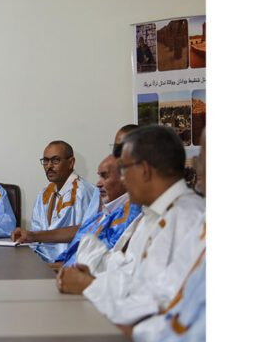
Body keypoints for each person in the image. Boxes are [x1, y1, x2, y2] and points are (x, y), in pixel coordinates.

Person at [56, 126, 205, 328]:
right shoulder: (149, 215)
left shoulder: (188, 218)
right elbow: (130, 274)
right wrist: (93, 277)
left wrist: (90, 285)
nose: (122, 179)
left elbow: (159, 303)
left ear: (144, 170)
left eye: (124, 170)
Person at [128, 129, 206, 342]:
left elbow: (170, 307)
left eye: (203, 155)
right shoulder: (154, 214)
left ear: (144, 170)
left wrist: (127, 329)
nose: (197, 164)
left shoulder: (188, 216)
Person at [13, 155, 141, 269]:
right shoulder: (108, 209)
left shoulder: (133, 215)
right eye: (46, 160)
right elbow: (82, 230)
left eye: (105, 176)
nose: (98, 184)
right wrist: (32, 236)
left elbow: (102, 266)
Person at [29, 141, 98, 262]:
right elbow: (36, 231)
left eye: (55, 160)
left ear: (71, 162)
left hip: (69, 263)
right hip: (42, 260)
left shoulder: (82, 193)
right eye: (45, 161)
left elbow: (84, 237)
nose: (49, 166)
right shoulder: (45, 193)